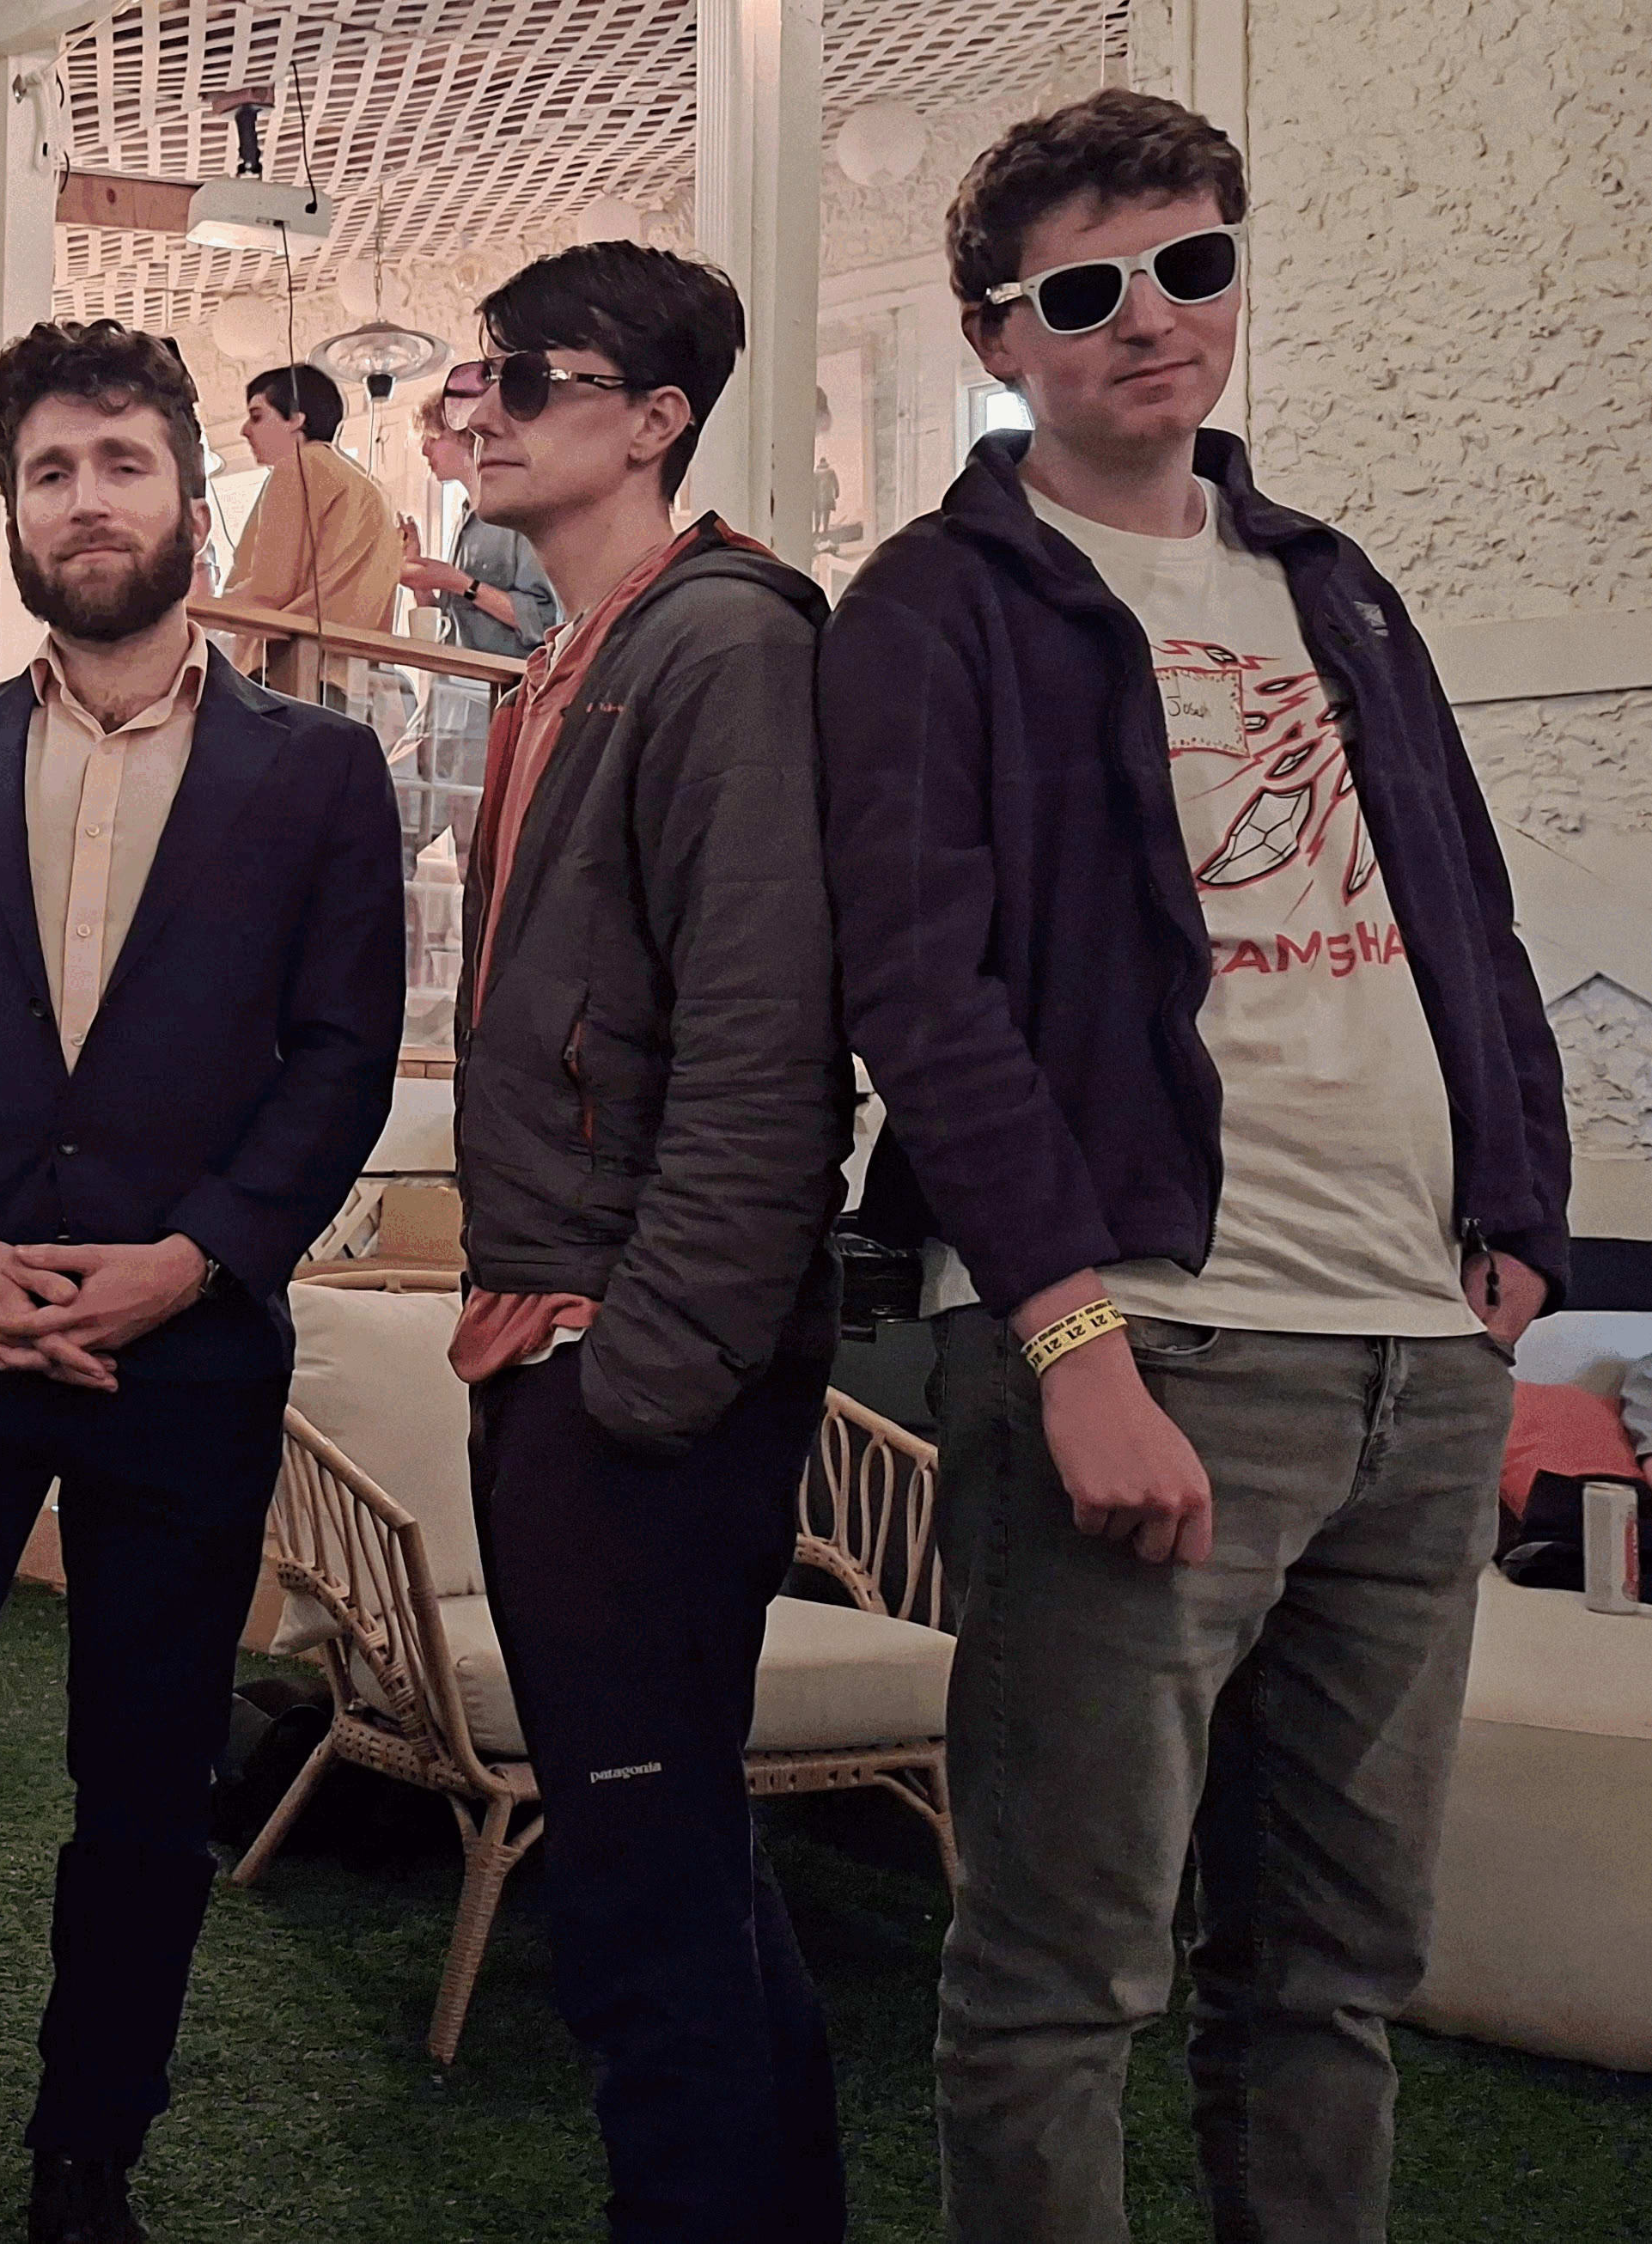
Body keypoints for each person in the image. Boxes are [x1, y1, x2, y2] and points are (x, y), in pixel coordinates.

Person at [819, 90, 1570, 2244]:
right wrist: (1071, 1340)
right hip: (1153, 1338)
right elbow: (921, 992)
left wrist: (1515, 1223)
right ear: (999, 334)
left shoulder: (1328, 580)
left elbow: (1462, 912)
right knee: (1063, 1978)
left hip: (1412, 1351)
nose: (1149, 318)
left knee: (1335, 1974)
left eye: (1191, 264)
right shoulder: (936, 605)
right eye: (1082, 291)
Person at [0, 319, 404, 2244]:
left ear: (190, 495)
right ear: (12, 509)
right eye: (48, 471)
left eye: (120, 463)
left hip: (182, 1358)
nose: (85, 501)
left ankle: (84, 2162)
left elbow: (337, 1057)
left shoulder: (317, 771)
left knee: (143, 1785)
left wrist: (188, 1261)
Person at [439, 242, 851, 2242]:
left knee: (639, 1898)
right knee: (662, 1874)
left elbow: (769, 1049)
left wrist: (635, 1376)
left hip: (626, 1358)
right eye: (475, 375)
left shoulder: (721, 646)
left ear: (655, 418)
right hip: (554, 1331)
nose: (482, 407)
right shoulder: (573, 659)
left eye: (530, 376)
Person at [222, 363, 400, 698]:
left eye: (257, 416)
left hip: (291, 673)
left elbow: (271, 589)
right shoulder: (371, 491)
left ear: (296, 419)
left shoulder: (298, 467)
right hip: (352, 683)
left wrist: (199, 609)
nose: (244, 430)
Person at [399, 399, 558, 657]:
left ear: (467, 435)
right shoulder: (464, 520)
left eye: (433, 437)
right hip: (456, 678)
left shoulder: (518, 512)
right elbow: (452, 628)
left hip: (503, 680)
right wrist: (421, 580)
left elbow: (544, 619)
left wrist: (458, 582)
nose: (425, 450)